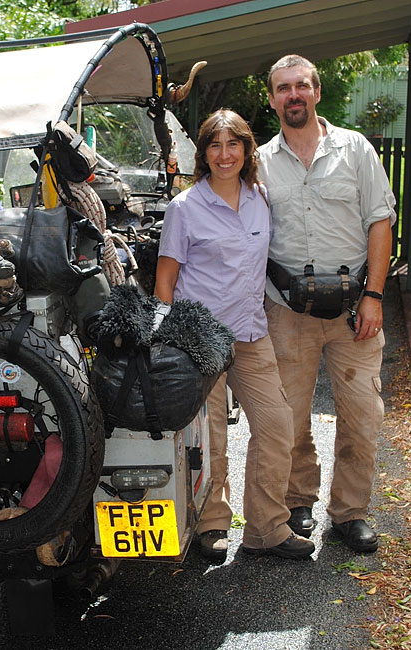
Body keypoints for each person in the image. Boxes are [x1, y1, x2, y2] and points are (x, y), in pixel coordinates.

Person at [154, 109, 315, 562]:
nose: (225, 155)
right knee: (213, 437)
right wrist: (165, 341)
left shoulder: (259, 197)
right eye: (215, 146)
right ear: (204, 153)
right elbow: (165, 282)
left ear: (246, 150)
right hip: (200, 340)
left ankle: (266, 527)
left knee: (277, 426)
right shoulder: (185, 208)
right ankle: (211, 524)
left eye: (233, 145)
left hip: (250, 333)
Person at [258, 55, 396, 553]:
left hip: (355, 312)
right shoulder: (260, 161)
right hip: (286, 311)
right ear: (271, 99)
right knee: (290, 417)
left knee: (362, 417)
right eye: (282, 88)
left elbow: (380, 222)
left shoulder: (355, 149)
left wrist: (375, 296)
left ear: (315, 92)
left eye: (301, 86)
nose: (292, 95)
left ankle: (350, 512)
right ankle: (299, 500)